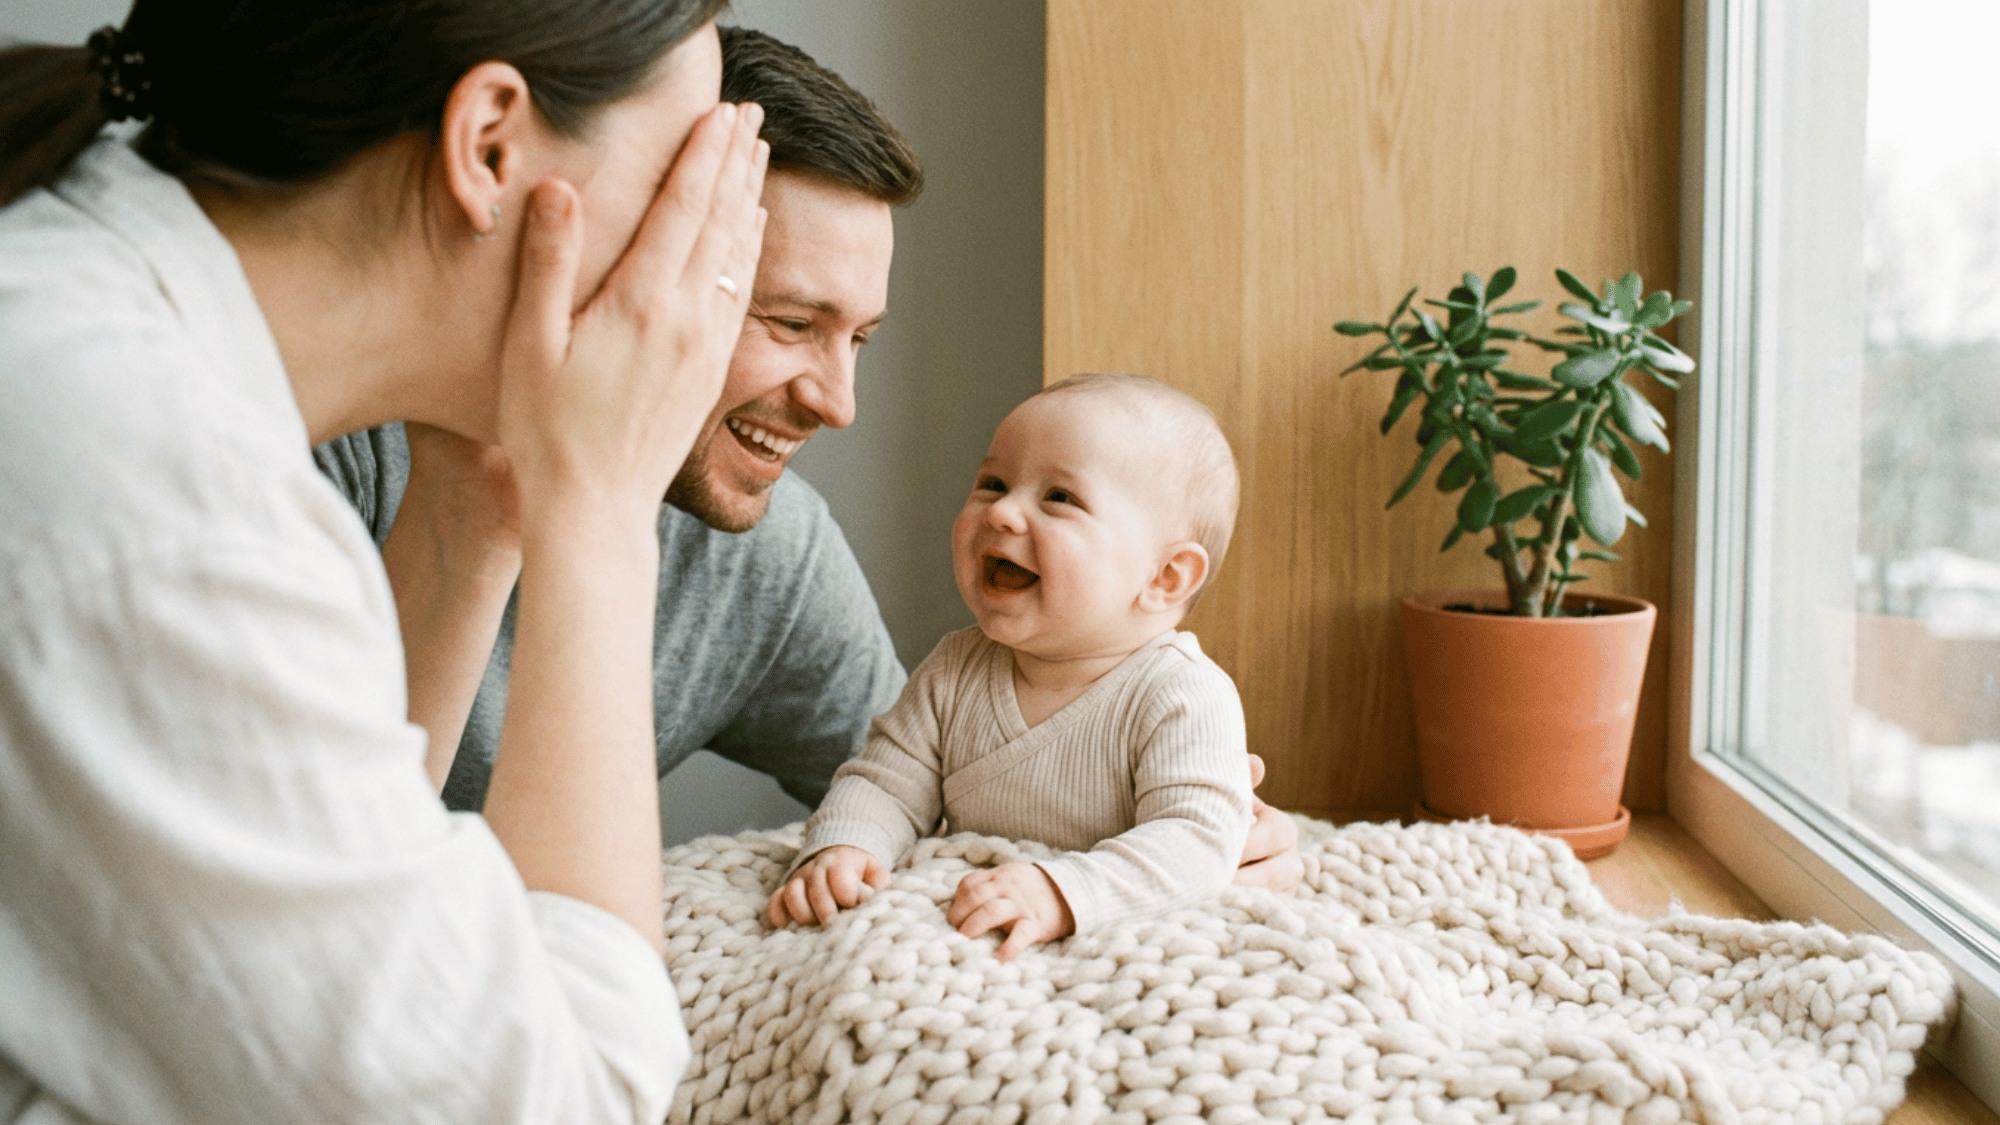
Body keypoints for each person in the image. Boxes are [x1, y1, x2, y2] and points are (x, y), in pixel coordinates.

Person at [317, 28, 1307, 893]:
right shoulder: (333, 462)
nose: (837, 403)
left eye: (859, 339)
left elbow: (922, 792)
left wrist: (1186, 833)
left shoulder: (767, 555)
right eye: (792, 323)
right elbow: (315, 884)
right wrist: (482, 508)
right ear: (632, 263)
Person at [0, 2, 764, 1120]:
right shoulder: (159, 494)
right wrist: (596, 517)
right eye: (681, 189)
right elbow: (557, 1100)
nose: (702, 279)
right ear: (489, 146)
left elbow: (330, 933)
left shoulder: (93, 313)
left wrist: (489, 509)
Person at [769, 374, 1254, 961]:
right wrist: (845, 847)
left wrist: (1064, 891)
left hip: (1105, 938)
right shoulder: (955, 670)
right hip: (982, 930)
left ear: (1164, 577)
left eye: (1059, 498)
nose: (1002, 512)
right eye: (993, 483)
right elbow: (884, 784)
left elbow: (1194, 843)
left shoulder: (1183, 693)